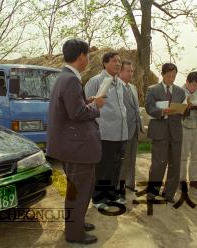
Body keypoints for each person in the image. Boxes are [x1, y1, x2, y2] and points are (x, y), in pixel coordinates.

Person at [47, 39, 105, 245]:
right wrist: (96, 105)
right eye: (88, 55)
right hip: (76, 148)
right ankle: (74, 234)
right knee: (78, 192)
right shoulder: (71, 80)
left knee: (77, 190)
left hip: (70, 146)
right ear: (81, 56)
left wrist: (87, 102)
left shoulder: (65, 77)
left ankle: (76, 223)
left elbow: (72, 109)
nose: (88, 59)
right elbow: (77, 113)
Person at [84, 52, 128, 209]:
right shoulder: (95, 81)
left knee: (115, 166)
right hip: (105, 133)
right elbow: (87, 107)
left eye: (120, 61)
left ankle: (111, 195)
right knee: (103, 167)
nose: (118, 64)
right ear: (105, 63)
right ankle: (99, 199)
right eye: (115, 61)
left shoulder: (120, 83)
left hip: (121, 133)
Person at [145, 63, 186, 203]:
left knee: (175, 163)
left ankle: (169, 194)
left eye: (174, 76)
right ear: (162, 75)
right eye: (168, 76)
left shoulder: (180, 92)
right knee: (158, 163)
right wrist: (162, 111)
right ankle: (152, 192)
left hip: (176, 132)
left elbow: (182, 111)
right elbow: (149, 108)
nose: (171, 78)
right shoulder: (153, 89)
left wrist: (187, 109)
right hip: (159, 131)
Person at [118, 60, 142, 194]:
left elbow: (135, 109)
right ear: (120, 71)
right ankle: (119, 186)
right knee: (123, 160)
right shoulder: (116, 87)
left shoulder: (132, 87)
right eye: (128, 71)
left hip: (135, 129)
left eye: (132, 71)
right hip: (123, 129)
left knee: (132, 158)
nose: (131, 73)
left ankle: (130, 183)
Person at [180, 71, 197, 190]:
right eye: (194, 84)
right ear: (187, 82)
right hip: (184, 126)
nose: (195, 87)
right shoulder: (179, 92)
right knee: (183, 156)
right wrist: (187, 108)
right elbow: (176, 110)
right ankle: (181, 180)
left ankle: (194, 180)